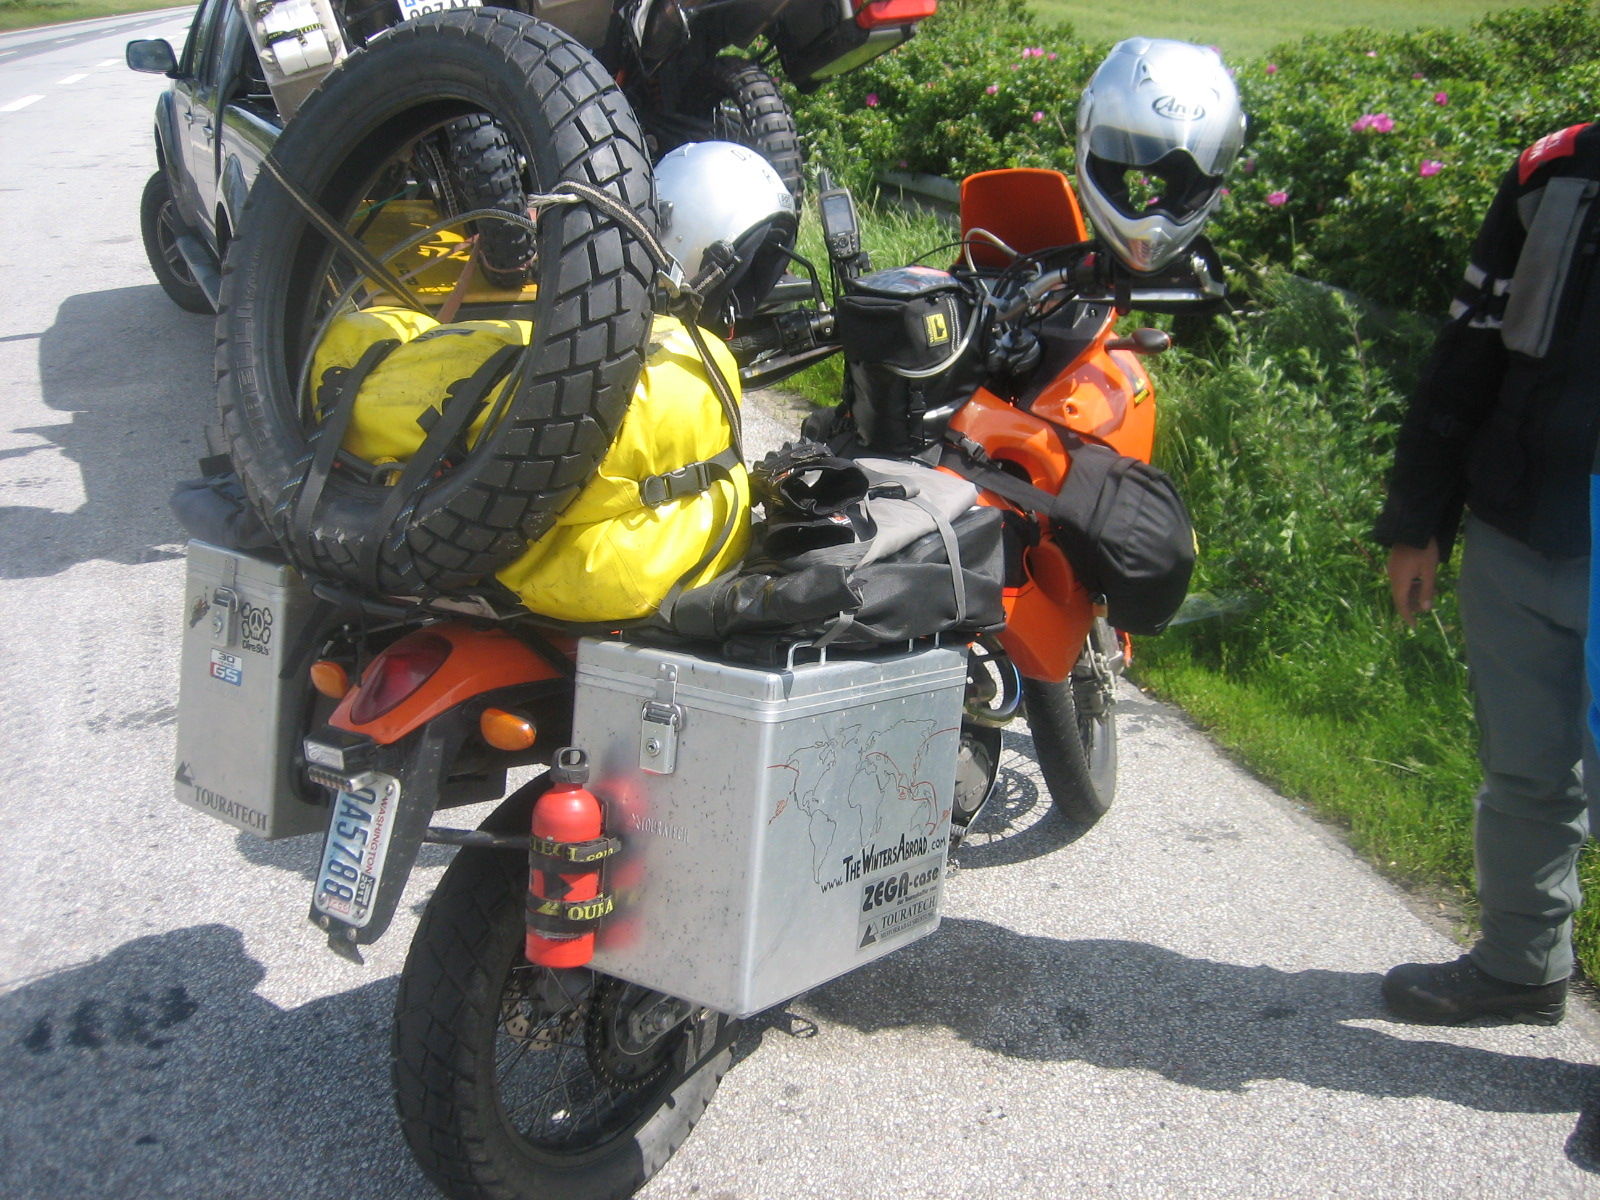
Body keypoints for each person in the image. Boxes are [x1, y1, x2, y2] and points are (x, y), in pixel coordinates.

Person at [1374, 121, 1600, 1026]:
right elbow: (1467, 349)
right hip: (1517, 526)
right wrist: (1418, 520)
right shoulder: (1553, 171)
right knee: (1525, 773)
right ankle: (1522, 964)